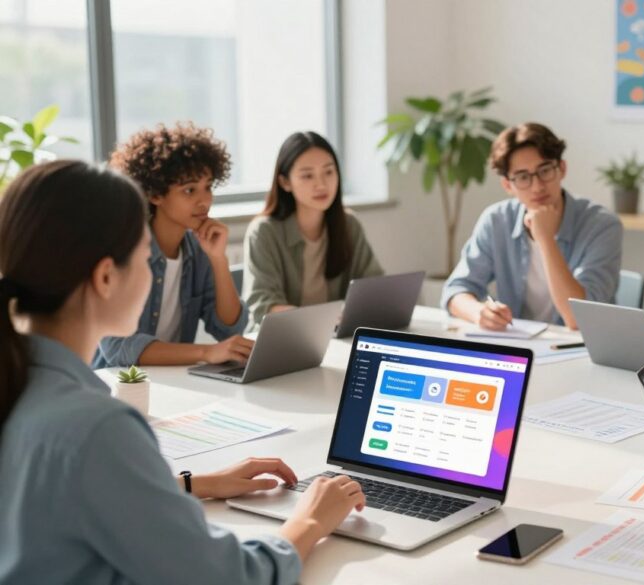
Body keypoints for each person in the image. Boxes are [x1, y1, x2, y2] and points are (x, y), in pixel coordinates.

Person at [0, 160, 366, 584]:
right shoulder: (97, 427)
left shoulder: (23, 386)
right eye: (144, 257)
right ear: (105, 276)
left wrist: (196, 483)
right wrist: (311, 520)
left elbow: (64, 496)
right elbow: (227, 578)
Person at [93, 122, 251, 368]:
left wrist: (219, 260)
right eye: (189, 190)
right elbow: (118, 347)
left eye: (207, 187)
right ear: (155, 195)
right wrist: (206, 353)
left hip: (172, 385)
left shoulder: (199, 250)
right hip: (119, 387)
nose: (204, 201)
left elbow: (230, 331)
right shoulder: (124, 250)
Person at [441, 122, 622, 330]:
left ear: (561, 169)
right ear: (508, 186)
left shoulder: (602, 225)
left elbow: (578, 319)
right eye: (523, 177)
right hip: (519, 347)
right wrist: (478, 312)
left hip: (579, 349)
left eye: (545, 170)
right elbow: (455, 290)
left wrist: (545, 238)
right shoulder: (497, 220)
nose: (537, 186)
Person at [244, 131, 383, 326]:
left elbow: (373, 286)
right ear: (285, 182)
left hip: (336, 340)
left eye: (329, 172)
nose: (322, 184)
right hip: (280, 339)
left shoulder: (349, 224)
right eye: (308, 176)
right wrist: (319, 321)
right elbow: (263, 305)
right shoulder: (264, 231)